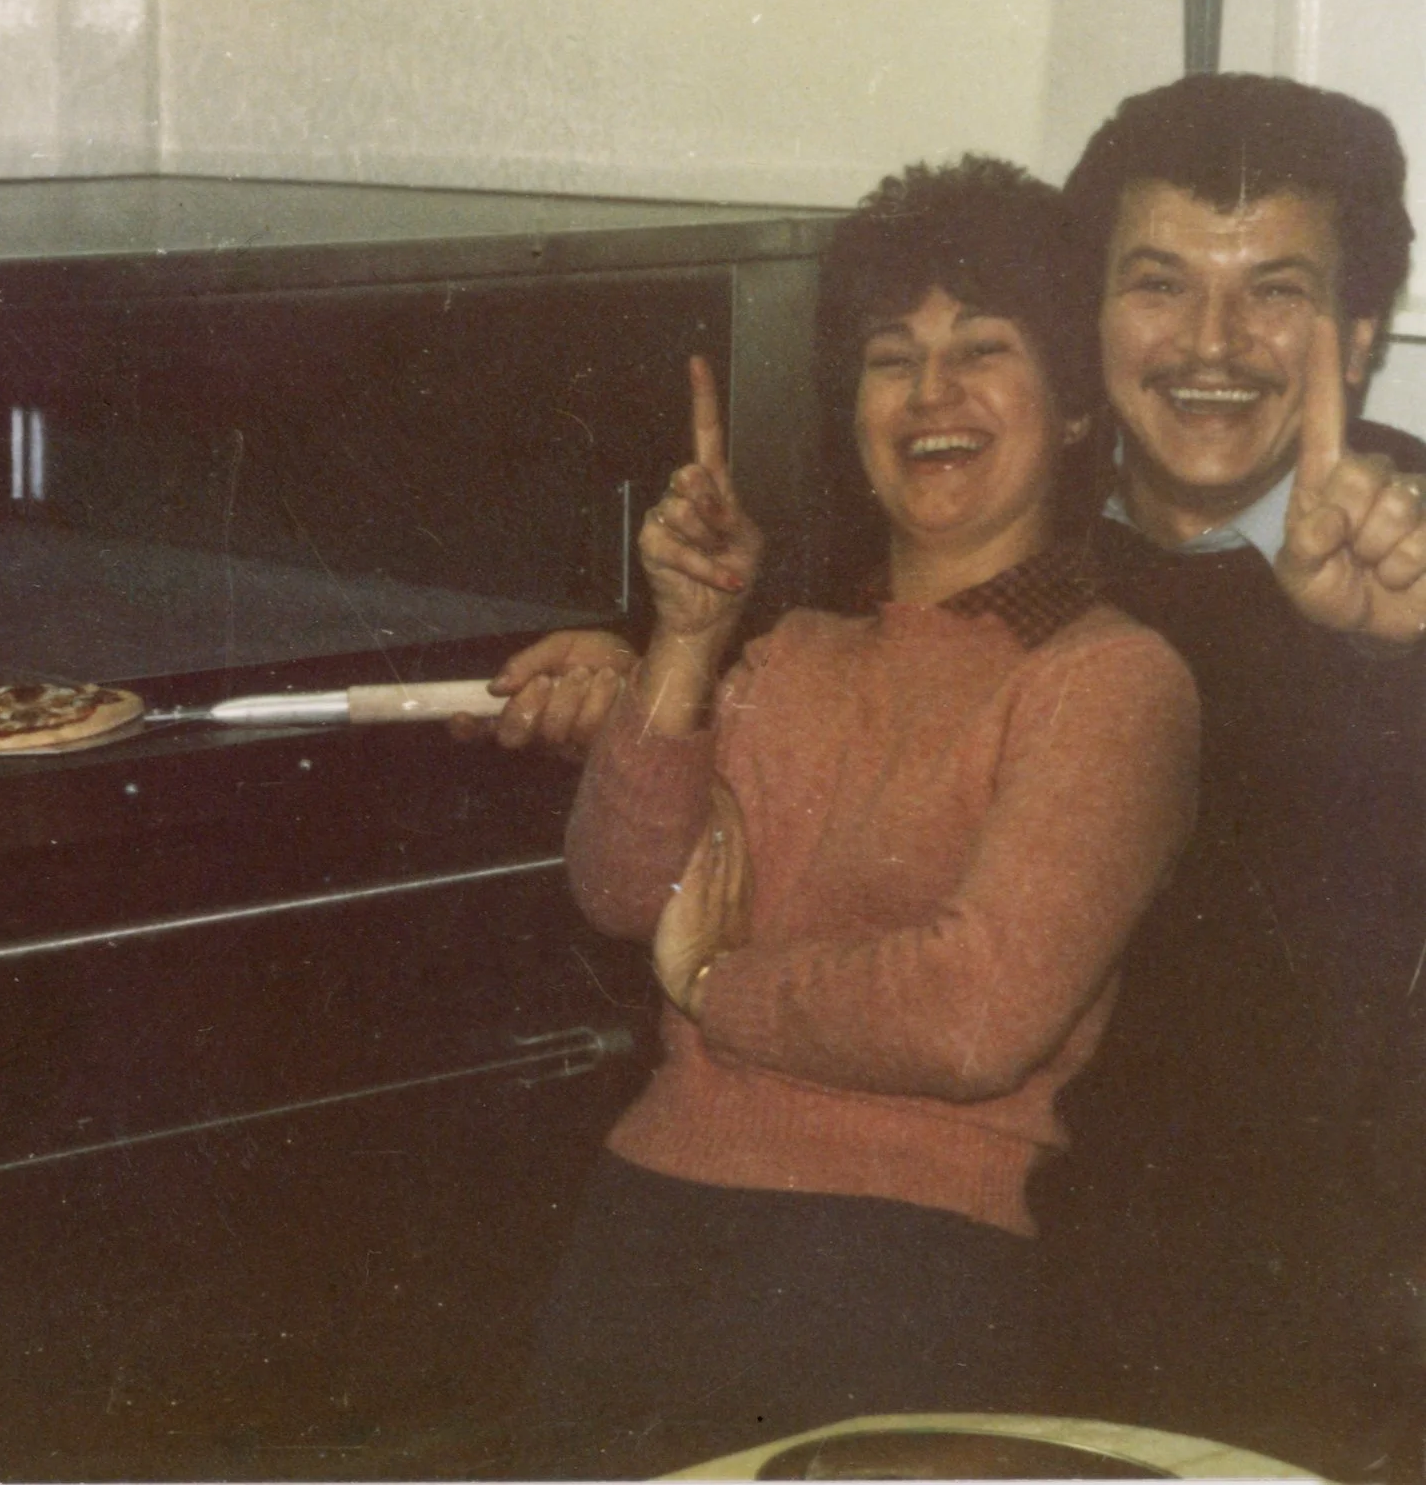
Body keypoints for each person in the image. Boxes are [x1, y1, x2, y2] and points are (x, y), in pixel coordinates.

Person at [517, 157, 1199, 1478]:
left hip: (898, 1267)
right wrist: (685, 645)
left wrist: (716, 986)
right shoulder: (795, 651)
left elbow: (974, 1010)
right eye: (894, 358)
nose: (932, 396)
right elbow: (618, 887)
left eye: (984, 349)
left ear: (1069, 409)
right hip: (643, 1232)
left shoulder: (1110, 679)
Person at [1027, 73, 1426, 1475]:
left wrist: (1393, 656)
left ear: (1361, 335)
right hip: (1021, 1287)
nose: (1210, 343)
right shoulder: (1014, 551)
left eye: (1274, 292)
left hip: (1334, 1348)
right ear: (1092, 318)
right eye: (1160, 284)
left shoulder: (1414, 558)